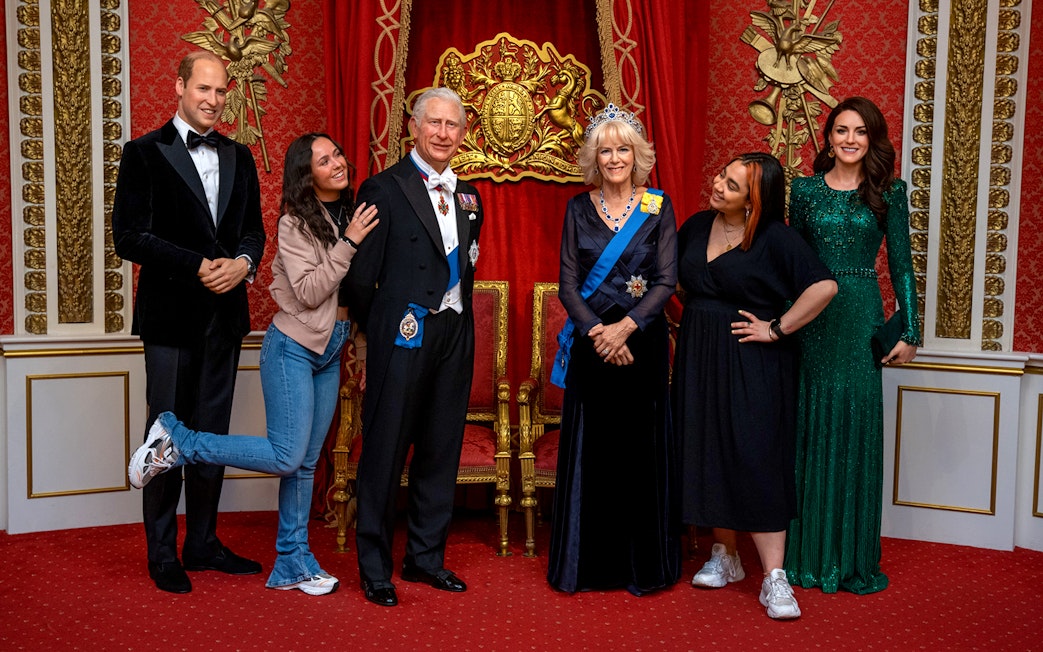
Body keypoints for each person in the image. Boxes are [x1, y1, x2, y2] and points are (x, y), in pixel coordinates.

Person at [127, 132, 379, 596]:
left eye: (338, 153)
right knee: (286, 456)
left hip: (333, 346)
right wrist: (349, 242)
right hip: (293, 347)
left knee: (304, 464)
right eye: (324, 160)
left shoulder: (353, 212)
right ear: (308, 175)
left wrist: (359, 340)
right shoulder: (296, 224)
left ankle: (292, 562)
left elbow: (358, 291)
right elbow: (308, 291)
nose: (338, 163)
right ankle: (178, 439)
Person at [112, 51, 266, 594]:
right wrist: (198, 265)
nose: (213, 100)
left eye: (221, 91)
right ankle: (162, 552)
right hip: (170, 320)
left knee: (212, 437)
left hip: (224, 320)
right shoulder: (143, 152)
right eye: (204, 89)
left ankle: (202, 543)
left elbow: (254, 232)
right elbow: (127, 237)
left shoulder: (240, 156)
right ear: (179, 86)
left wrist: (244, 264)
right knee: (166, 437)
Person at [673, 152, 837, 619]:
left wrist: (777, 328)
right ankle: (725, 556)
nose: (718, 184)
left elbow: (823, 287)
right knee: (709, 450)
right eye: (721, 175)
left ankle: (774, 578)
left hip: (755, 360)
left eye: (732, 184)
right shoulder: (695, 225)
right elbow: (677, 285)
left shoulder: (776, 238)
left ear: (754, 200)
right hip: (699, 357)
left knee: (757, 455)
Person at [342, 87, 484, 608]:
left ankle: (425, 558)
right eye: (435, 124)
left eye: (453, 126)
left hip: (454, 332)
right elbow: (360, 277)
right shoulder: (383, 188)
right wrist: (371, 328)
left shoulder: (470, 195)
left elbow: (468, 263)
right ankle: (375, 567)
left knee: (440, 447)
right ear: (415, 127)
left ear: (462, 134)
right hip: (402, 331)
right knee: (384, 449)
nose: (444, 134)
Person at [784, 97, 920, 595]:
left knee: (854, 429)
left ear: (873, 139)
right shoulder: (803, 192)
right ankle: (803, 557)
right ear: (828, 136)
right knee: (809, 424)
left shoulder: (889, 191)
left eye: (860, 131)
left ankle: (848, 559)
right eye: (841, 130)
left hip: (862, 311)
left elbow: (902, 266)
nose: (849, 139)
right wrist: (779, 323)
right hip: (812, 316)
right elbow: (789, 262)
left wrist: (910, 331)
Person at [547, 104, 680, 596]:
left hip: (642, 345)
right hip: (591, 347)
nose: (616, 158)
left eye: (624, 149)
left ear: (638, 155)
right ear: (594, 158)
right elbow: (566, 283)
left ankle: (643, 567)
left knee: (638, 454)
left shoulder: (658, 207)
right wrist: (598, 333)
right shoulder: (578, 209)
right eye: (606, 150)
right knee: (593, 454)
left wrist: (625, 327)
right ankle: (588, 566)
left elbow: (667, 280)